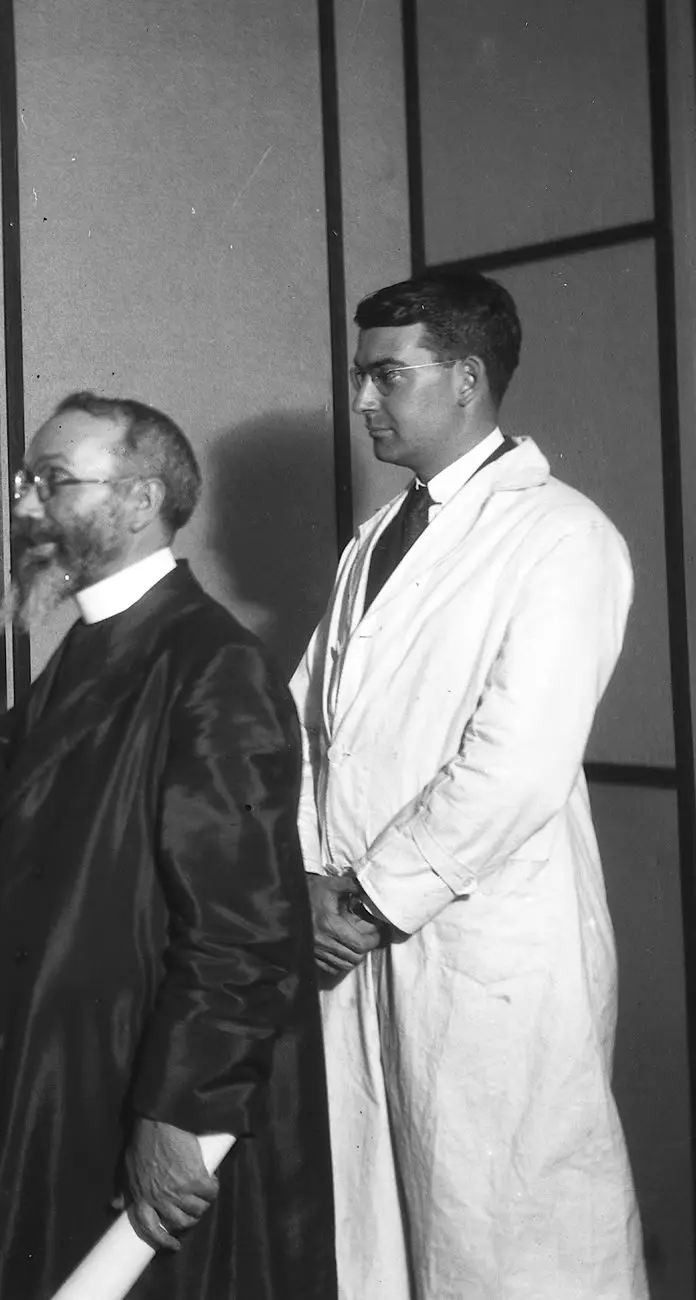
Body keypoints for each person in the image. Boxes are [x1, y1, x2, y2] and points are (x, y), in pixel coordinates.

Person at [0, 392, 334, 1300]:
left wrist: (180, 1111)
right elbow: (62, 868)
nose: (26, 506)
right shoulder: (88, 648)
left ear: (141, 501)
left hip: (139, 1077)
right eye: (27, 482)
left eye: (54, 483)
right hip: (52, 1074)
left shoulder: (210, 664)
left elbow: (247, 926)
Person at [292, 271, 645, 1298]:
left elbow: (514, 765)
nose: (361, 401)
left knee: (508, 1239)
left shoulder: (561, 536)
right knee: (385, 1238)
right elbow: (308, 720)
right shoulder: (377, 541)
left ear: (467, 379)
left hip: (483, 946)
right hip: (357, 936)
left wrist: (358, 901)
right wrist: (309, 872)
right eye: (361, 378)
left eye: (385, 377)